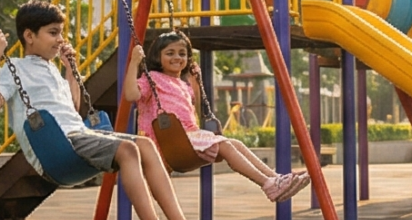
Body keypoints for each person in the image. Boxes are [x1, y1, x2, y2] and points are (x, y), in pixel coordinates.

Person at [0, 2, 226, 220]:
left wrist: (70, 70)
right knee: (128, 150)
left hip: (79, 133)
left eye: (61, 32)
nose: (60, 39)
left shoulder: (51, 68)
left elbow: (72, 108)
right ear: (29, 36)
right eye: (53, 33)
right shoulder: (14, 68)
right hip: (59, 145)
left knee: (145, 145)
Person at [126, 29, 310, 204]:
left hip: (188, 139)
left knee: (235, 144)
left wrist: (196, 85)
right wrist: (134, 63)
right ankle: (268, 184)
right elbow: (131, 95)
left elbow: (194, 112)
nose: (177, 57)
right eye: (170, 53)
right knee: (225, 144)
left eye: (182, 54)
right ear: (157, 56)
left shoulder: (183, 83)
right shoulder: (152, 78)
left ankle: (275, 178)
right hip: (170, 142)